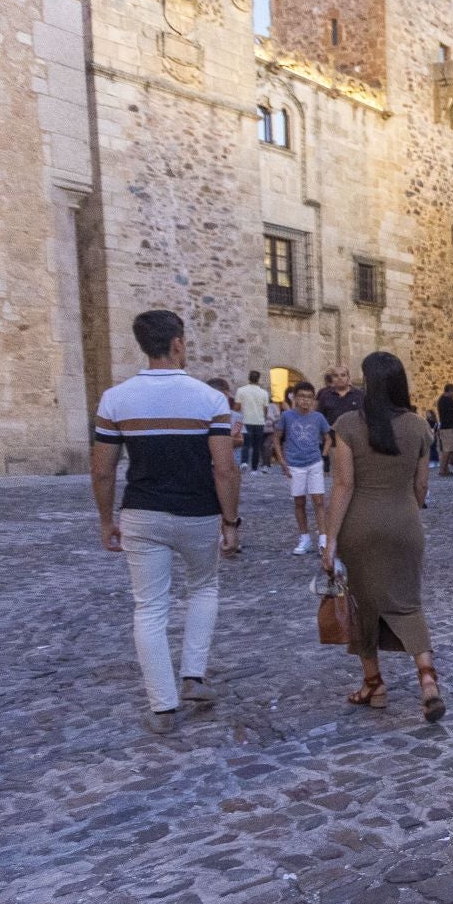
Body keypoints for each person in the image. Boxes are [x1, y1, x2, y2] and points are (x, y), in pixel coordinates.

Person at [90, 310, 241, 734]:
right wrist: (231, 521)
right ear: (177, 343)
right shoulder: (209, 400)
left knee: (149, 607)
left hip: (142, 512)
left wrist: (106, 520)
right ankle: (193, 675)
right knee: (204, 587)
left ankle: (162, 705)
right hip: (198, 511)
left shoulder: (116, 399)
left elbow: (102, 470)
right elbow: (225, 469)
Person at [321, 352, 443, 722]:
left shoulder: (347, 425)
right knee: (408, 602)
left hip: (361, 524)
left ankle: (374, 684)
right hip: (404, 522)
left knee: (364, 605)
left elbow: (343, 485)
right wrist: (406, 507)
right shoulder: (420, 427)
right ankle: (428, 681)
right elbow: (422, 487)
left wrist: (329, 539)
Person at [276, 382, 333, 555]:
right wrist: (282, 461)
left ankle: (323, 538)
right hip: (294, 464)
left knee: (319, 501)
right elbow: (276, 438)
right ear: (294, 397)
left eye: (309, 397)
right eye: (301, 396)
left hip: (314, 462)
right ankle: (304, 537)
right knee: (299, 502)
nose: (305, 401)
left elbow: (328, 438)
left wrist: (323, 455)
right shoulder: (287, 416)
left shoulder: (318, 417)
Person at [235, 370, 271, 471]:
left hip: (246, 420)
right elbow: (265, 409)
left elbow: (237, 407)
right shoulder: (264, 393)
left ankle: (244, 462)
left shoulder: (241, 390)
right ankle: (254, 468)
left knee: (245, 443)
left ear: (248, 378)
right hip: (259, 421)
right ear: (258, 379)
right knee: (256, 446)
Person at [316, 365, 364, 434]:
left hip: (353, 439)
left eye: (343, 375)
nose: (339, 378)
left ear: (348, 378)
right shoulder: (325, 395)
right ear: (332, 379)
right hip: (332, 438)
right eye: (336, 376)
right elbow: (319, 418)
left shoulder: (359, 395)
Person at [208, 378, 245, 457]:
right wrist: (231, 435)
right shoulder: (204, 416)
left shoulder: (235, 416)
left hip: (232, 458)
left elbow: (240, 441)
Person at [435, 385, 453, 476]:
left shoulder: (441, 399)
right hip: (449, 427)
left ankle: (446, 469)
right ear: (450, 391)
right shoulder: (447, 400)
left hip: (446, 426)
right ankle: (442, 470)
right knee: (448, 449)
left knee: (448, 448)